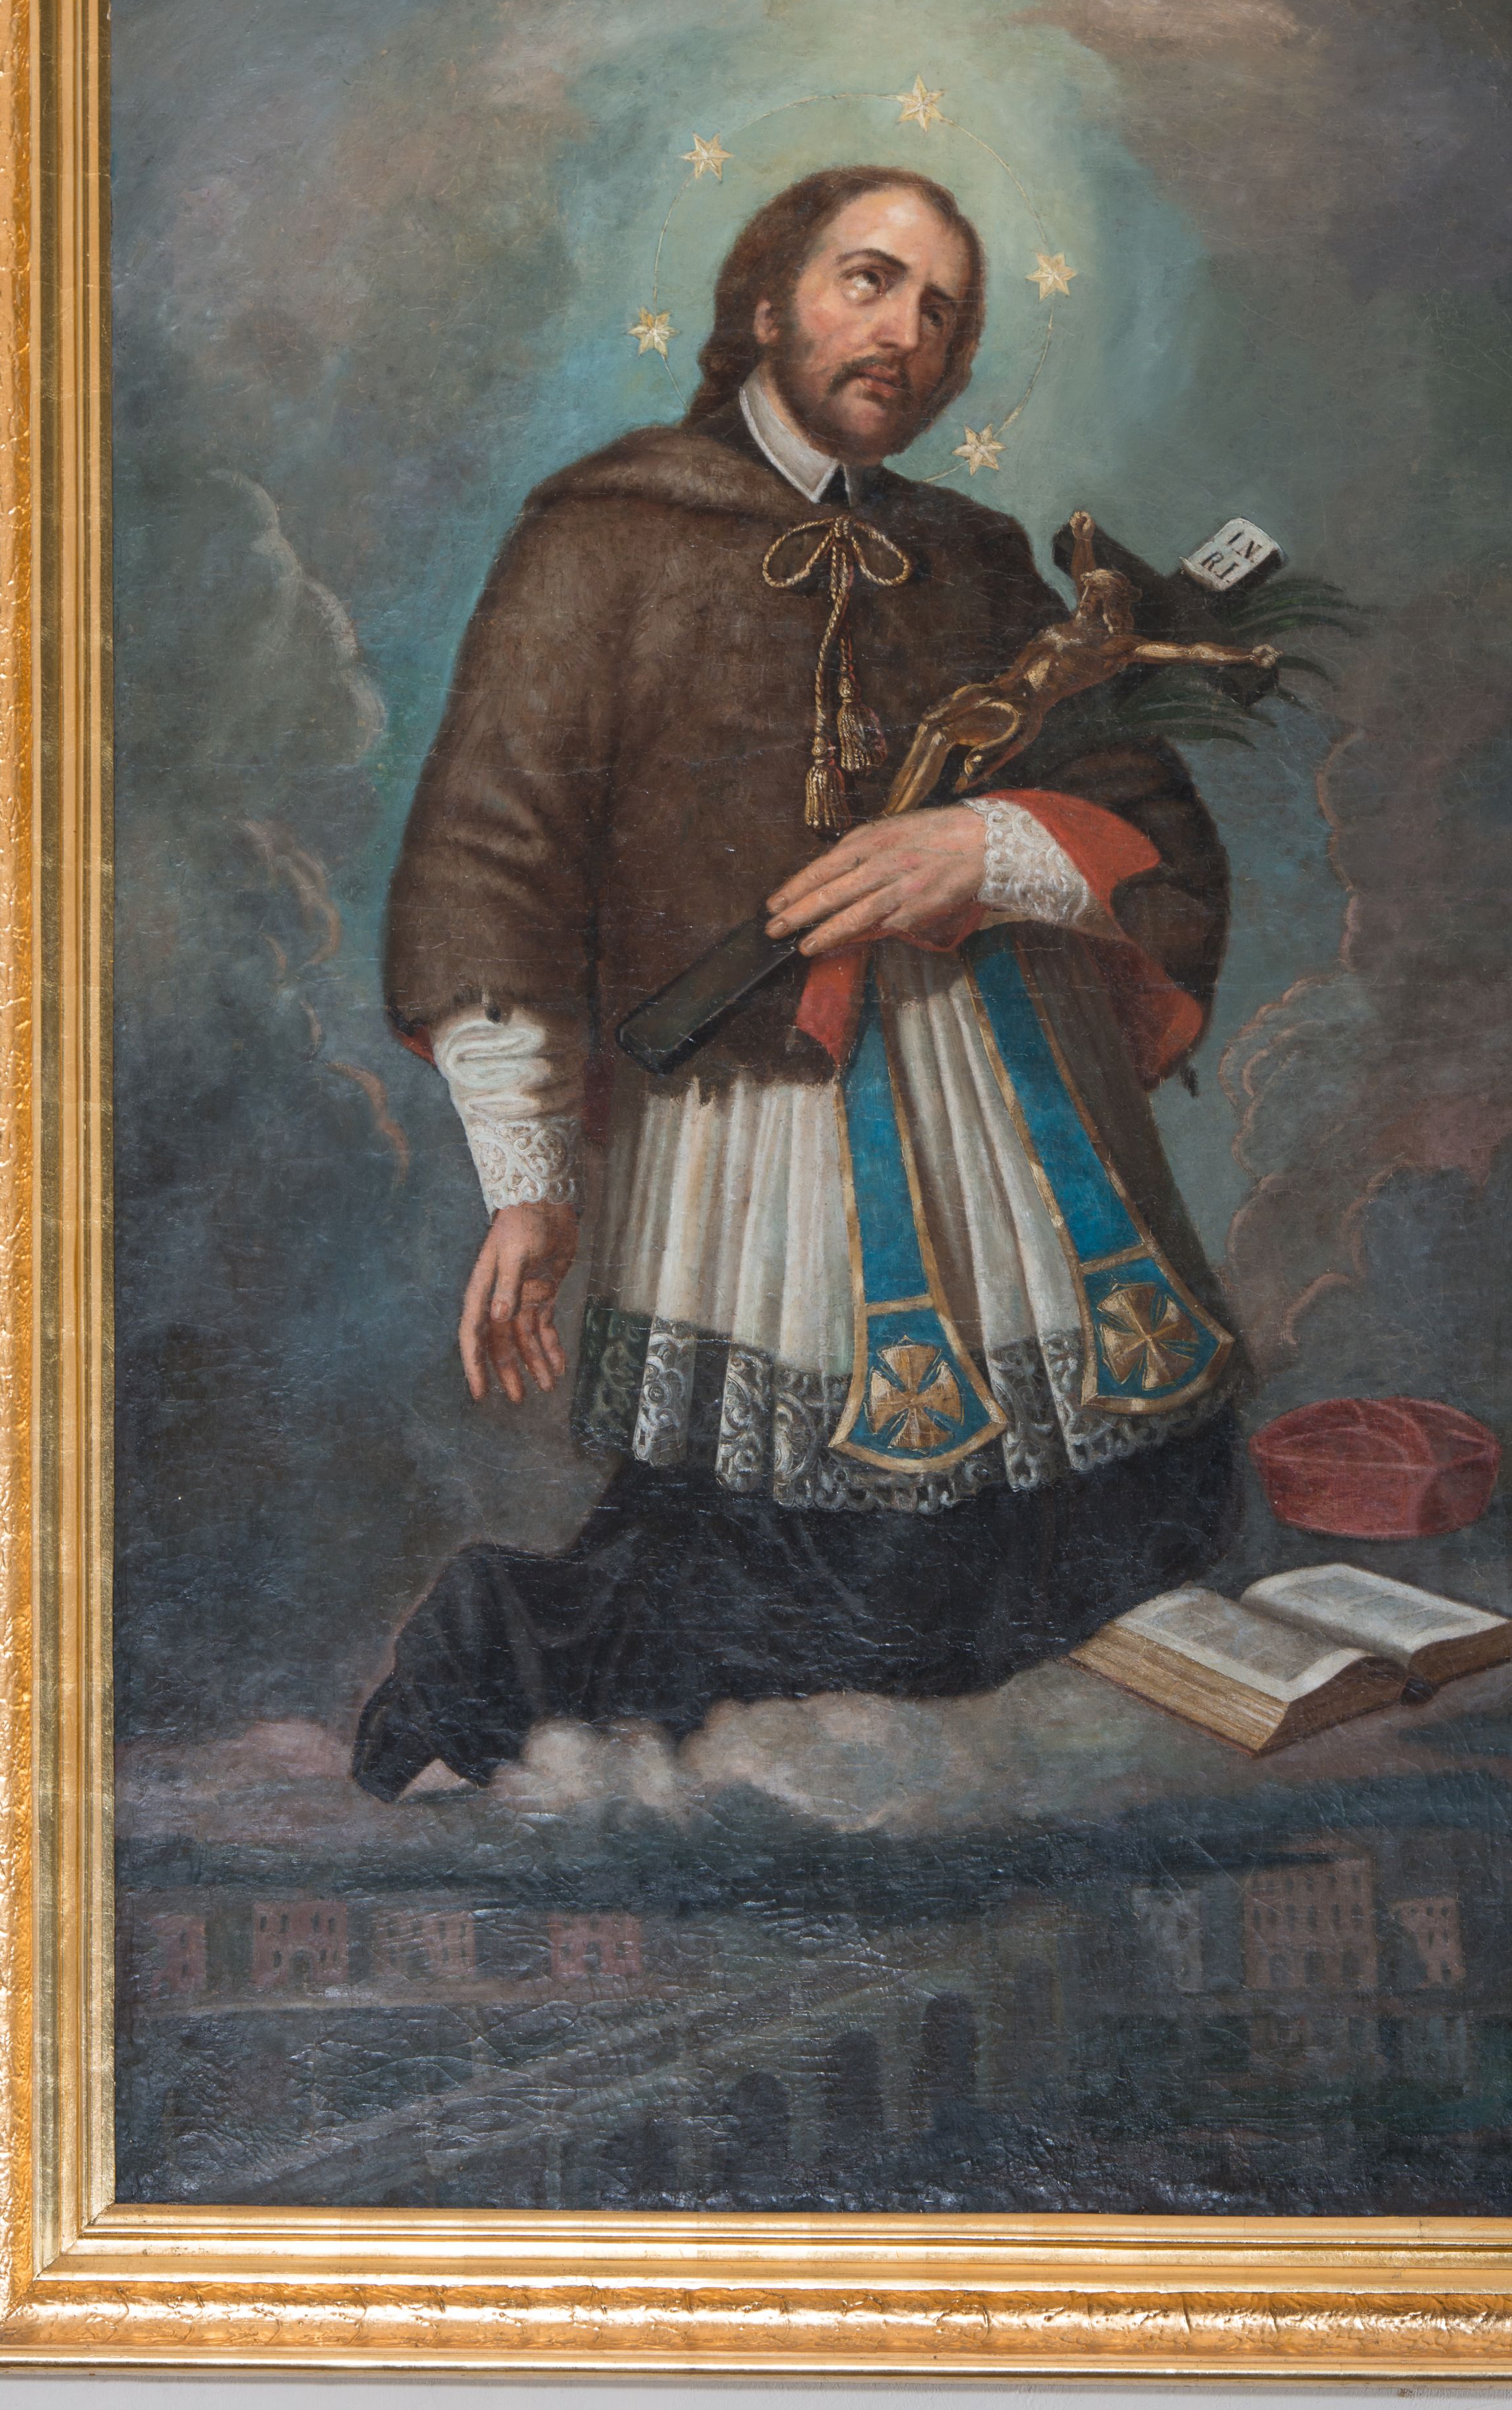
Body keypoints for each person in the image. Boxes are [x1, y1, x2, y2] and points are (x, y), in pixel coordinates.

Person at [351, 162, 1252, 1800]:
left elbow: (1153, 821)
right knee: (810, 1576)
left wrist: (989, 847)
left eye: (942, 310)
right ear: (766, 303)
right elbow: (497, 851)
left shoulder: (975, 558)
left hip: (999, 1128)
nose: (905, 332)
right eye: (868, 280)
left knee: (1131, 1513)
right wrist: (530, 1182)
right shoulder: (606, 534)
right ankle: (497, 1659)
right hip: (758, 1129)